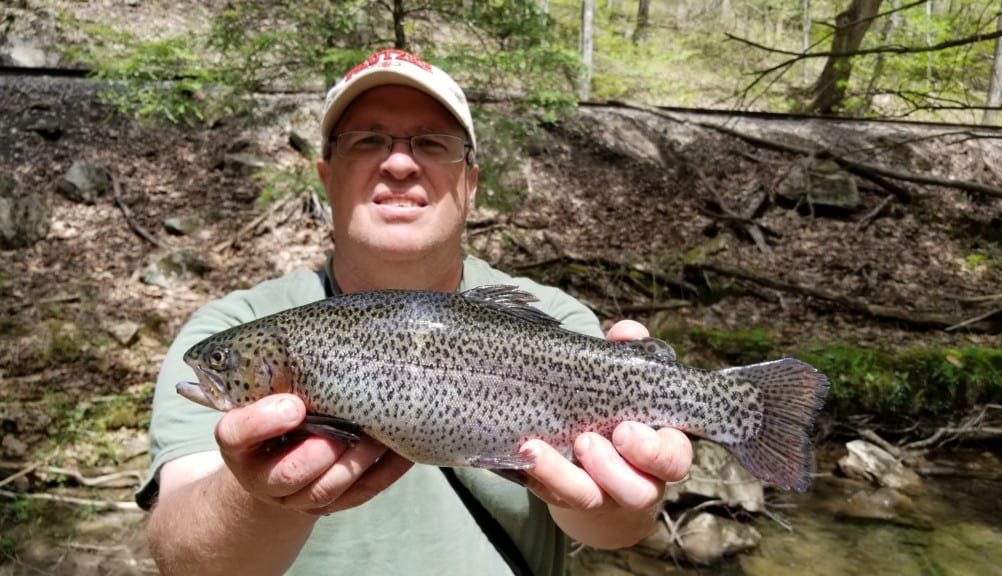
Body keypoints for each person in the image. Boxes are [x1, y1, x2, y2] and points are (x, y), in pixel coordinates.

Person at [139, 48, 693, 576]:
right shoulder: (226, 325)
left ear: (471, 182)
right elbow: (184, 561)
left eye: (431, 142)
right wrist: (260, 496)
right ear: (326, 176)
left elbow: (612, 530)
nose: (399, 162)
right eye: (367, 140)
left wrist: (620, 502)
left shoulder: (554, 317)